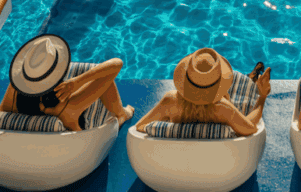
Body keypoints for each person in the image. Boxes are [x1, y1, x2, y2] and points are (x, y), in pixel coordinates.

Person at [0, 34, 134, 132]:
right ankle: (122, 114)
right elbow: (117, 64)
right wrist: (77, 82)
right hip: (76, 139)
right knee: (105, 79)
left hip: (30, 143)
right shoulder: (67, 107)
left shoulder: (13, 93)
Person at [136, 48, 271, 137]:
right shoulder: (222, 108)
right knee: (237, 87)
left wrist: (168, 125)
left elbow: (141, 126)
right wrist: (262, 96)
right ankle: (251, 78)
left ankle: (251, 77)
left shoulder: (171, 101)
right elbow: (250, 128)